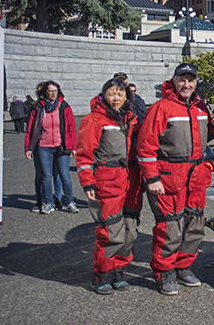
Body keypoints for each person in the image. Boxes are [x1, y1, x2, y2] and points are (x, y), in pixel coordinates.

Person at [137, 63, 214, 295]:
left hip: (196, 177)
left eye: (191, 80)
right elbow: (146, 147)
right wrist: (152, 178)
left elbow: (203, 137)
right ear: (174, 81)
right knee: (170, 227)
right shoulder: (161, 108)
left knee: (194, 225)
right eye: (182, 80)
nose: (187, 84)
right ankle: (164, 273)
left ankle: (184, 266)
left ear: (196, 83)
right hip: (168, 178)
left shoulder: (200, 108)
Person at [76, 77, 144, 294]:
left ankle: (119, 270)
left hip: (132, 180)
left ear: (127, 97)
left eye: (120, 94)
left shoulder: (133, 119)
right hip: (108, 179)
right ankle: (102, 273)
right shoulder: (95, 119)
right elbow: (84, 155)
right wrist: (88, 183)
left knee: (130, 230)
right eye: (112, 94)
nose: (116, 98)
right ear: (104, 95)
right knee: (110, 230)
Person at [24, 81, 79, 214]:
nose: (53, 93)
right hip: (44, 146)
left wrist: (73, 146)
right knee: (46, 176)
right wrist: (28, 148)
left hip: (61, 146)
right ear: (45, 92)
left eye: (55, 91)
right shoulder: (38, 107)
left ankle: (70, 201)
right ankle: (48, 202)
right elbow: (31, 128)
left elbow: (71, 127)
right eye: (50, 91)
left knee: (64, 175)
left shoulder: (64, 106)